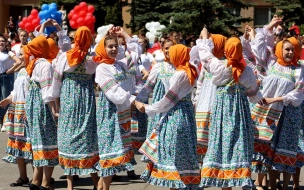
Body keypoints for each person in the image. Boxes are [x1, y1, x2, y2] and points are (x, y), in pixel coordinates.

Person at [199, 28, 262, 189]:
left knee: (221, 143)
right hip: (240, 113)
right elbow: (254, 94)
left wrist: (205, 38)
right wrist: (260, 100)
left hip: (221, 114)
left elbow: (205, 55)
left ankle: (224, 183)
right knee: (238, 142)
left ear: (226, 51)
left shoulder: (219, 67)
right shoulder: (246, 70)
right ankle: (238, 176)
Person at [135, 44, 200, 190]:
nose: (169, 53)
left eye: (173, 51)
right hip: (185, 113)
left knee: (172, 150)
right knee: (181, 149)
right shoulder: (190, 69)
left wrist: (148, 108)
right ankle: (183, 182)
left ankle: (175, 184)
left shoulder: (180, 73)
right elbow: (148, 88)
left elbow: (168, 100)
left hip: (173, 113)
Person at [52, 26, 99, 190]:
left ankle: (70, 185)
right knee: (88, 137)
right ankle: (95, 182)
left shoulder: (65, 57)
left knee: (68, 136)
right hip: (86, 100)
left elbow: (56, 82)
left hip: (69, 99)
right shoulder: (92, 59)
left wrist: (55, 105)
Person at [94, 26, 139, 190]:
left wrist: (123, 35)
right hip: (110, 116)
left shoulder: (119, 65)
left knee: (112, 162)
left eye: (116, 46)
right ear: (103, 48)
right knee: (109, 158)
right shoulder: (102, 68)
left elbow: (134, 53)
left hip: (121, 113)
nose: (113, 49)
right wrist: (134, 101)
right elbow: (115, 93)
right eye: (110, 46)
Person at [24, 35, 58, 190]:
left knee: (38, 141)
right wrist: (54, 110)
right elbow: (47, 91)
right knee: (48, 141)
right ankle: (45, 182)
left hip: (32, 106)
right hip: (41, 106)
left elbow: (27, 88)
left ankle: (35, 180)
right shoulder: (45, 65)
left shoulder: (32, 63)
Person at [0, 45, 32, 187]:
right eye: (18, 54)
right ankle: (23, 177)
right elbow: (15, 90)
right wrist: (8, 98)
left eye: (21, 54)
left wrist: (29, 109)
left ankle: (39, 177)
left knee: (31, 146)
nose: (18, 57)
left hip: (27, 111)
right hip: (17, 111)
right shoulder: (20, 72)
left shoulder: (34, 71)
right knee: (19, 145)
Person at [192, 33, 227, 163]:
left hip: (216, 102)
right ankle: (201, 166)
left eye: (212, 43)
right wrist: (196, 100)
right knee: (201, 136)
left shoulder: (223, 63)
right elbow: (200, 83)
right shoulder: (207, 64)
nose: (210, 46)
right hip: (203, 103)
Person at [0, 35, 21, 132]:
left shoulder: (8, 53)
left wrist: (10, 70)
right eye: (0, 41)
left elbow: (18, 61)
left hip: (5, 77)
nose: (1, 43)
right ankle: (1, 120)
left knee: (5, 99)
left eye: (3, 41)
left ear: (6, 43)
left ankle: (6, 121)